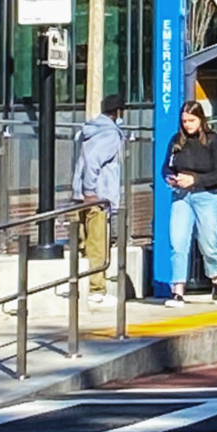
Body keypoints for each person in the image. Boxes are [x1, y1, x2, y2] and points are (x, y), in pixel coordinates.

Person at [164, 100, 217, 306]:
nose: (188, 125)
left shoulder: (214, 141)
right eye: (184, 121)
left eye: (191, 120)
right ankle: (178, 290)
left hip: (208, 196)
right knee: (178, 241)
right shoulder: (176, 141)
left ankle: (216, 279)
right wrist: (170, 178)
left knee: (209, 243)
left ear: (201, 119)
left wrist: (195, 180)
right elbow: (166, 167)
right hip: (182, 196)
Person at [70, 93, 127, 293]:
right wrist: (91, 191)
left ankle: (80, 287)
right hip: (97, 197)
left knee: (82, 244)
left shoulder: (89, 131)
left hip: (79, 196)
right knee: (97, 246)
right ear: (118, 112)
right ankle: (95, 289)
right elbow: (94, 162)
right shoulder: (110, 134)